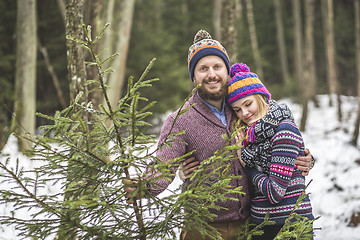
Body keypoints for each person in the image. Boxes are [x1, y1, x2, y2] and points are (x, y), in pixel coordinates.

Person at [124, 30, 313, 240]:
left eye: (217, 66)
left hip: (250, 224)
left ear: (227, 70)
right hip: (203, 228)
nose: (211, 74)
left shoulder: (242, 108)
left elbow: (277, 137)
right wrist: (145, 186)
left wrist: (304, 158)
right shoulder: (180, 120)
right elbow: (164, 165)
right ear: (193, 76)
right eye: (203, 68)